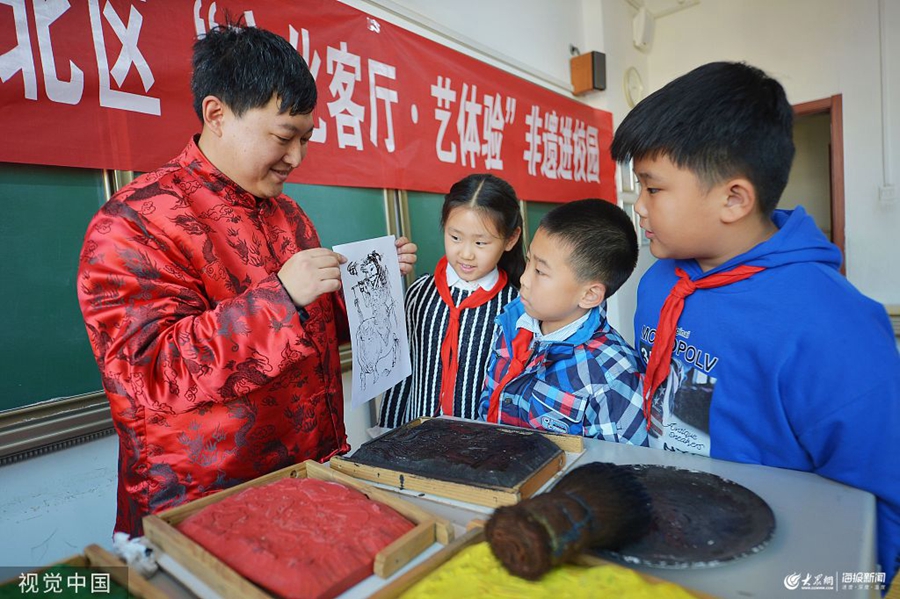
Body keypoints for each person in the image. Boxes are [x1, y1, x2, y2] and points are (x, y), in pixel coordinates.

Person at [77, 24, 416, 535]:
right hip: (204, 499)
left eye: (305, 138)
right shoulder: (135, 222)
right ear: (217, 114)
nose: (296, 157)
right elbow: (149, 373)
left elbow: (310, 329)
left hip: (307, 474)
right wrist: (282, 299)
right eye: (283, 137)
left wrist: (370, 288)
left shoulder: (290, 216)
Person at [610, 61, 900, 586]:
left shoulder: (834, 327)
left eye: (653, 189)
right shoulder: (658, 282)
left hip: (773, 568)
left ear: (734, 198)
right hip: (668, 536)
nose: (639, 206)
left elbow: (880, 503)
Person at [478, 199, 648, 445]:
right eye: (529, 262)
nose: (524, 279)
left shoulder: (612, 376)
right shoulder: (512, 326)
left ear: (589, 295)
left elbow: (624, 470)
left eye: (540, 272)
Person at [379, 174, 524, 428]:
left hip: (479, 449)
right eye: (455, 237)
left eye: (480, 242)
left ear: (510, 239)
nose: (466, 253)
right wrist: (387, 432)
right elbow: (401, 375)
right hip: (416, 441)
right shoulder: (419, 293)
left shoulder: (517, 307)